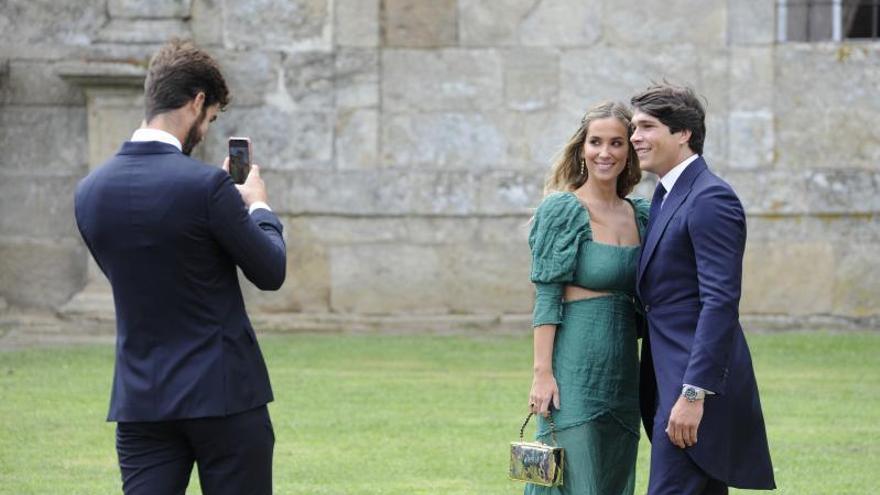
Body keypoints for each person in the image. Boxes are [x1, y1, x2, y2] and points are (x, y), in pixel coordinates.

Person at [74, 39, 286, 495]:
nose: (206, 131)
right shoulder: (207, 186)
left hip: (141, 400)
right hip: (224, 396)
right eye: (209, 119)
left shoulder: (89, 192)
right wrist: (259, 209)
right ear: (196, 102)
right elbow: (270, 271)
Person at [631, 84, 775, 494]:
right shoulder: (665, 196)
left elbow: (720, 302)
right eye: (634, 126)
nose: (635, 137)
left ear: (683, 134)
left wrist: (694, 393)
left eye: (646, 126)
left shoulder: (710, 197)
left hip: (695, 389)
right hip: (669, 381)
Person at [526, 101, 649, 495]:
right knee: (573, 479)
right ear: (582, 147)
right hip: (573, 373)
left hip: (623, 374)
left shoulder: (642, 214)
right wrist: (542, 373)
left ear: (629, 150)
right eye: (595, 142)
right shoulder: (563, 210)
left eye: (616, 143)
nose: (605, 152)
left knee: (614, 477)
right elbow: (547, 297)